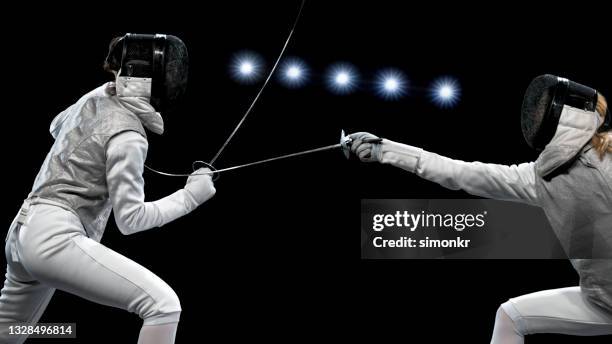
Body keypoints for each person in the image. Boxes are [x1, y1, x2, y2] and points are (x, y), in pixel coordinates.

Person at [348, 75, 612, 343]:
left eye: (544, 106)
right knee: (510, 317)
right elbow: (459, 172)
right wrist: (386, 150)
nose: (538, 113)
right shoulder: (538, 178)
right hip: (602, 303)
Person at [0, 34, 215, 344]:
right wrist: (191, 196)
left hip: (21, 232)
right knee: (162, 306)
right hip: (53, 237)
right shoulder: (129, 135)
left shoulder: (95, 98)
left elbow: (56, 125)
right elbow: (131, 220)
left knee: (8, 333)